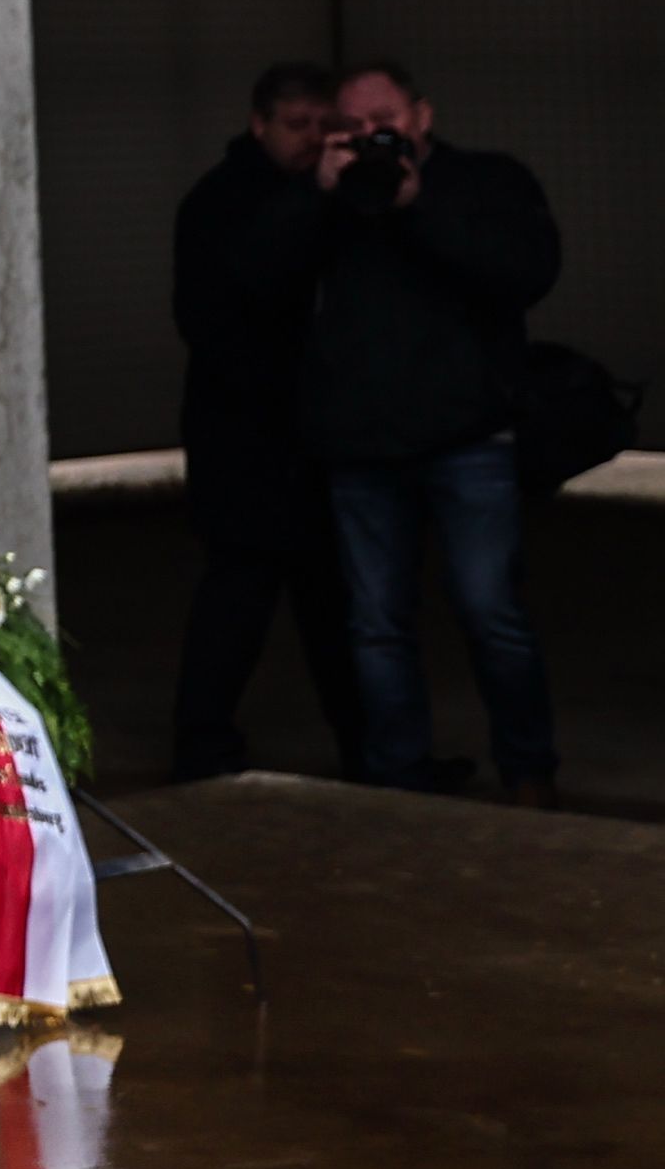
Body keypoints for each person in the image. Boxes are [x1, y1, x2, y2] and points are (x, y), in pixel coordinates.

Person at [295, 61, 563, 805]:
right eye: (352, 123)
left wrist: (418, 204)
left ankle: (528, 769)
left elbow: (529, 270)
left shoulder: (484, 180)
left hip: (467, 440)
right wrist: (319, 200)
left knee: (490, 610)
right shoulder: (326, 200)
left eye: (385, 118)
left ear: (422, 116)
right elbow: (257, 288)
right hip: (359, 448)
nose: (371, 134)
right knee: (377, 625)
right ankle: (398, 778)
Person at [164, 59, 363, 781]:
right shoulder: (223, 203)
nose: (311, 139)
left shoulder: (312, 197)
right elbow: (226, 311)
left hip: (297, 439)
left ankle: (369, 751)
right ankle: (203, 743)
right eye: (297, 125)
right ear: (260, 124)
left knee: (327, 603)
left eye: (322, 125)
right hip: (248, 439)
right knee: (242, 599)